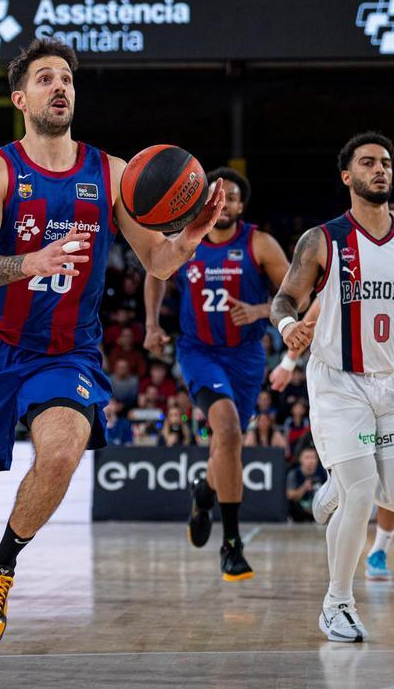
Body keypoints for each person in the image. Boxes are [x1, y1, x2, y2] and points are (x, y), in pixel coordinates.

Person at [0, 38, 225, 671]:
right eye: (44, 78)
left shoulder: (113, 173)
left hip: (67, 352)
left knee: (65, 450)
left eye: (66, 78)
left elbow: (156, 259)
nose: (59, 87)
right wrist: (32, 261)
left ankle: (2, 564)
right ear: (21, 98)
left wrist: (191, 235)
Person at [268, 131, 394, 642]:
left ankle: (338, 484)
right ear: (347, 176)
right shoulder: (322, 240)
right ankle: (337, 603)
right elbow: (285, 300)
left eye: (386, 163)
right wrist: (288, 328)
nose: (380, 170)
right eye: (368, 163)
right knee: (364, 492)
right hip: (338, 382)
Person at [271, 205, 394, 582]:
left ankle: (364, 516)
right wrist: (289, 361)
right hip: (346, 380)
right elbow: (308, 317)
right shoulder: (340, 259)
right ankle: (353, 573)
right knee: (363, 480)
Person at [143, 165, 290, 582]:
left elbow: (294, 292)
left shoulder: (258, 243)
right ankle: (231, 545)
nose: (226, 204)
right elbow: (155, 273)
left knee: (228, 445)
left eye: (234, 197)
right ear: (205, 202)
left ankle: (204, 492)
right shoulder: (186, 243)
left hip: (246, 357)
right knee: (225, 431)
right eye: (218, 196)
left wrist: (262, 310)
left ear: (241, 205)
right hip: (199, 352)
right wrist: (153, 324)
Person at [287, 446, 328, 522]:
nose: (310, 461)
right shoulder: (294, 473)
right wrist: (304, 488)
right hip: (300, 511)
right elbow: (289, 495)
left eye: (313, 457)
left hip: (320, 510)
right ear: (300, 459)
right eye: (307, 457)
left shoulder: (323, 472)